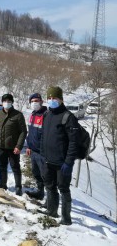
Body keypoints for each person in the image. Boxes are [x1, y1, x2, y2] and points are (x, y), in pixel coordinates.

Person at [40, 86, 79, 225]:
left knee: (63, 189)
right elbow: (43, 137)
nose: (51, 101)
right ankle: (51, 211)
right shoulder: (47, 115)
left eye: (54, 98)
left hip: (62, 163)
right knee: (50, 186)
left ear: (61, 100)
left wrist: (69, 162)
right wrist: (43, 155)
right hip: (48, 160)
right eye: (49, 98)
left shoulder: (68, 117)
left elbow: (73, 143)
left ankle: (66, 218)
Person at [0, 93, 27, 196]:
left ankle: (18, 187)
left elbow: (23, 132)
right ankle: (2, 185)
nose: (7, 103)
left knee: (15, 167)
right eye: (5, 101)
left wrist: (19, 146)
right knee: (2, 166)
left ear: (12, 102)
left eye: (9, 101)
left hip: (13, 147)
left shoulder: (18, 115)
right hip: (0, 146)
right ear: (2, 103)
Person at [25, 93, 47, 200]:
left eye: (37, 101)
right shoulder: (32, 115)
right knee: (36, 173)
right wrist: (29, 146)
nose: (35, 103)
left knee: (46, 176)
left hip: (43, 153)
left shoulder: (46, 115)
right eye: (32, 101)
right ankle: (40, 192)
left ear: (41, 102)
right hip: (33, 151)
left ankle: (50, 199)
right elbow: (30, 133)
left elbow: (47, 135)